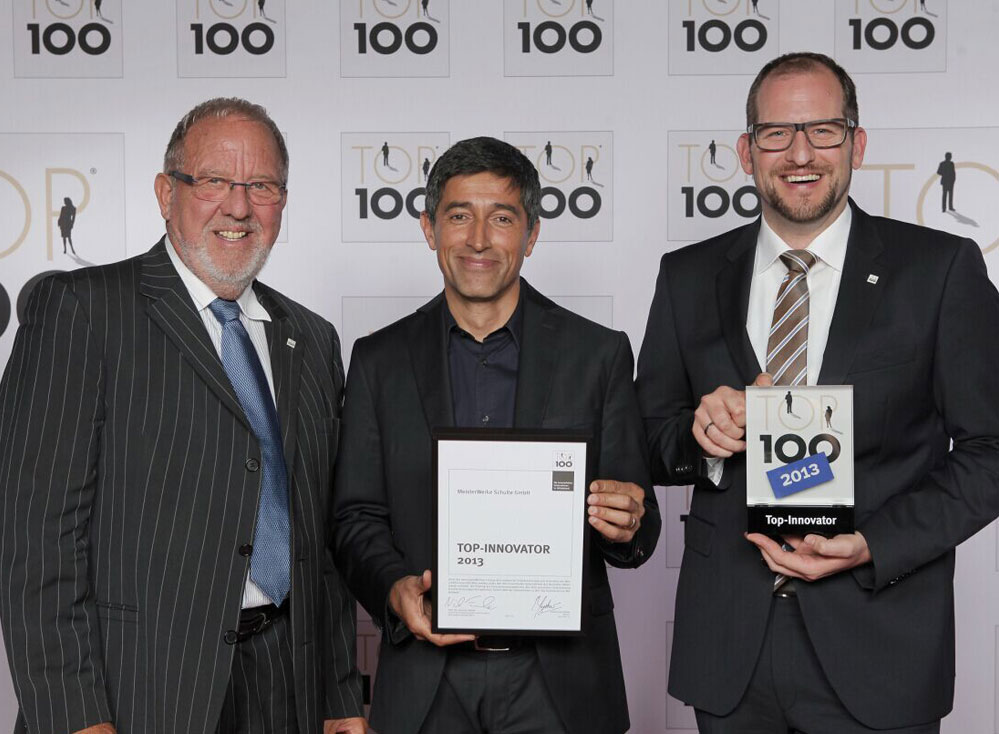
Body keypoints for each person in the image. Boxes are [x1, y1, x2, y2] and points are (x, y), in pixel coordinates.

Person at [636, 51, 999, 733]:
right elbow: (649, 438)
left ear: (855, 144)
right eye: (776, 133)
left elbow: (991, 450)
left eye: (823, 131)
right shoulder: (686, 277)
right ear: (746, 152)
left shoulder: (939, 271)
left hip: (881, 643)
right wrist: (700, 437)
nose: (799, 153)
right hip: (730, 651)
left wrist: (873, 544)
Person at [0, 98, 365, 734]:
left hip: (287, 690)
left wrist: (339, 698)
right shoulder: (81, 311)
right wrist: (74, 718)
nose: (239, 207)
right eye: (215, 180)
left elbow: (317, 543)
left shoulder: (312, 339)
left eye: (262, 186)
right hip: (136, 693)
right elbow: (34, 542)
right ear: (167, 193)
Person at [332, 136, 660, 734]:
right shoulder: (378, 360)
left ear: (531, 235)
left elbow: (640, 521)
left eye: (502, 218)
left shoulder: (598, 354)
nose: (479, 239)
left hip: (561, 684)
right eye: (460, 216)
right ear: (429, 229)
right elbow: (355, 516)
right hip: (427, 679)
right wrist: (394, 589)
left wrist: (629, 523)